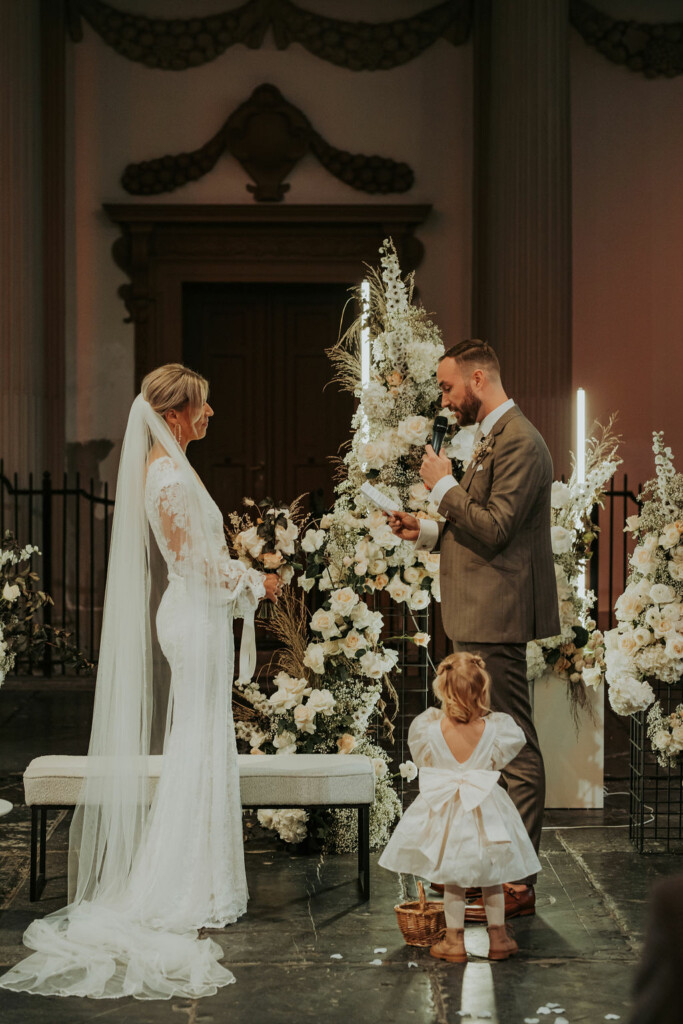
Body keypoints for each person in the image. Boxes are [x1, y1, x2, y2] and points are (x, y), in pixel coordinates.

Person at [0, 364, 279, 1000]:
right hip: (194, 615)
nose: (211, 416)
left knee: (205, 742)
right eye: (204, 407)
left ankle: (201, 878)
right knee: (197, 745)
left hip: (199, 614)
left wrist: (237, 575)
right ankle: (181, 883)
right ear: (176, 412)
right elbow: (189, 561)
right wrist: (250, 579)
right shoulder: (167, 474)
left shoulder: (171, 467)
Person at [388, 340, 559, 920]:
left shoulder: (521, 442)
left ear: (478, 378)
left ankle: (519, 879)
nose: (444, 398)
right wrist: (427, 531)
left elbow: (496, 526)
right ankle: (483, 869)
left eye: (446, 386)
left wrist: (441, 486)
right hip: (478, 609)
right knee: (478, 751)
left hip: (498, 613)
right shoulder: (492, 436)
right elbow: (475, 525)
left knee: (513, 746)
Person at [379, 652, 541, 961]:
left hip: (447, 813)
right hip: (486, 810)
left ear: (442, 690)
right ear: (483, 692)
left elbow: (425, 761)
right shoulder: (495, 730)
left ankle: (454, 941)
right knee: (492, 878)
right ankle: (498, 939)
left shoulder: (429, 729)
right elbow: (499, 759)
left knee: (453, 881)